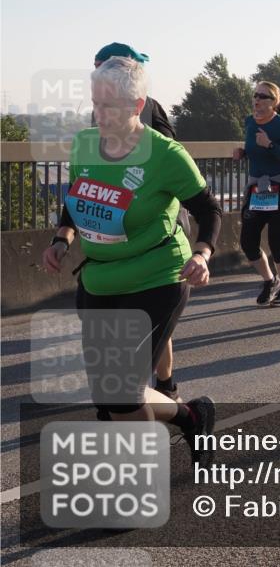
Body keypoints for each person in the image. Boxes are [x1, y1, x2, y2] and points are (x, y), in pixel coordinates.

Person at [41, 57, 220, 463]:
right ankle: (191, 416)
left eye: (109, 106)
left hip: (156, 277)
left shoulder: (165, 155)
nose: (99, 115)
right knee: (110, 398)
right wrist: (61, 238)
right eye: (95, 105)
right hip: (99, 281)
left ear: (137, 106)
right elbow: (77, 199)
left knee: (119, 395)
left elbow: (209, 209)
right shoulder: (86, 144)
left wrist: (203, 253)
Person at [93, 42, 180, 398]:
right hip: (116, 221)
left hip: (154, 218)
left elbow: (171, 151)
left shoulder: (148, 105)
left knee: (149, 311)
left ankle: (162, 385)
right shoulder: (98, 111)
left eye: (106, 65)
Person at [233, 81, 280, 307]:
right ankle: (268, 280)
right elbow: (254, 150)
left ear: (274, 102)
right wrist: (243, 153)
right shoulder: (249, 122)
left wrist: (270, 145)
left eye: (263, 96)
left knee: (275, 238)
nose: (257, 99)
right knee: (248, 241)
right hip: (257, 189)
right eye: (255, 95)